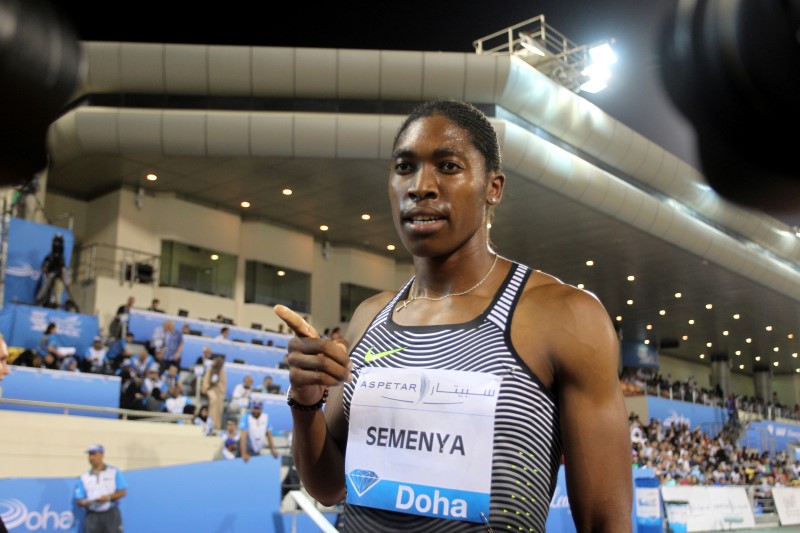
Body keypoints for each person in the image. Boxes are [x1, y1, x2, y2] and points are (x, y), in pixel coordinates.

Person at [275, 100, 632, 531]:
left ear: (493, 187)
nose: (420, 186)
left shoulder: (566, 316)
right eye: (404, 167)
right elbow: (329, 487)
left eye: (447, 166)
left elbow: (605, 522)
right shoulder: (370, 316)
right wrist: (307, 400)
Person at [73, 444, 127, 533]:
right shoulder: (84, 477)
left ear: (102, 455)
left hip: (111, 513)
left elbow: (122, 491)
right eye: (90, 455)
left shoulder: (113, 471)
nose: (91, 458)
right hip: (92, 515)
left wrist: (107, 497)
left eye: (94, 454)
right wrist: (85, 503)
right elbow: (79, 498)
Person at [200, 353, 227, 431]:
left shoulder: (222, 372)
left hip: (219, 390)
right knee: (214, 400)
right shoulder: (210, 370)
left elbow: (223, 384)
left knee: (219, 404)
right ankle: (211, 423)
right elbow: (205, 382)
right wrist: (209, 384)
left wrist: (217, 382)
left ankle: (217, 426)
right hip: (210, 389)